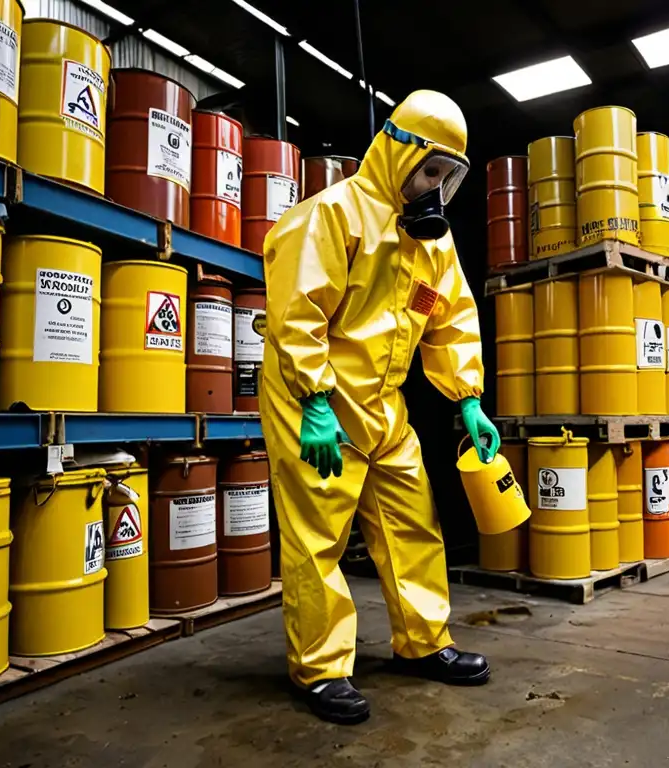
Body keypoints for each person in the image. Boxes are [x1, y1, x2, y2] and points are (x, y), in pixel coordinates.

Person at [260, 89, 501, 725]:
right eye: (430, 170)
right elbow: (296, 315)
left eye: (449, 177)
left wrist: (468, 399)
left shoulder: (433, 245)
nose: (436, 187)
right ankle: (320, 668)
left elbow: (451, 322)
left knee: (412, 521)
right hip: (315, 399)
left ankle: (424, 642)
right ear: (398, 153)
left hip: (383, 402)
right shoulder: (330, 218)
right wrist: (314, 399)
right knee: (319, 537)